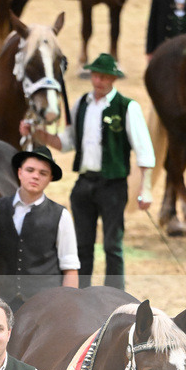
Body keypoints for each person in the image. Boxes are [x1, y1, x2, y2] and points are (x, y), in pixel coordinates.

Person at [26, 53, 155, 290]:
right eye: (96, 76)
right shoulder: (81, 104)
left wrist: (145, 190)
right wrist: (39, 134)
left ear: (113, 79)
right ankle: (83, 293)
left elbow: (144, 150)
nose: (99, 81)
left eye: (105, 77)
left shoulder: (127, 107)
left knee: (112, 246)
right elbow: (67, 142)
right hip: (84, 183)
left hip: (113, 185)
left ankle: (114, 294)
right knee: (82, 245)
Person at [0, 145, 79, 310]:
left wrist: (66, 308)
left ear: (50, 178)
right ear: (20, 173)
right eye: (30, 170)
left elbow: (70, 269)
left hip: (46, 305)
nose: (35, 176)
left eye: (43, 173)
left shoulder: (61, 215)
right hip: (4, 303)